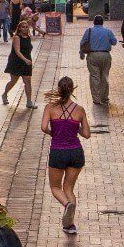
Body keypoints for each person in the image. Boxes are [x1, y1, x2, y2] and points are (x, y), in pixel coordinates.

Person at [42, 77, 90, 235]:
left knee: (55, 187)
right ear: (72, 90)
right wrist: (74, 128)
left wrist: (54, 132)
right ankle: (69, 224)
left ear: (59, 89)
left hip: (58, 151)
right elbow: (87, 134)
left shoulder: (50, 107)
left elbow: (43, 127)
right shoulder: (80, 109)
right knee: (68, 188)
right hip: (75, 152)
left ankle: (67, 205)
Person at [79, 15, 117, 106]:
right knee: (104, 76)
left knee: (94, 77)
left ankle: (96, 99)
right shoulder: (108, 31)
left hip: (92, 55)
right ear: (102, 22)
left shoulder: (89, 31)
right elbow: (114, 42)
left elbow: (82, 43)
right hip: (105, 55)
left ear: (94, 22)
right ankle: (104, 98)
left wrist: (81, 53)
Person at [3, 20, 38, 109]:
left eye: (26, 27)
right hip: (16, 61)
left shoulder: (28, 37)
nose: (25, 28)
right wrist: (25, 60)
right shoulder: (16, 38)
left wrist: (28, 60)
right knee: (13, 81)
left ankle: (29, 102)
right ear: (19, 28)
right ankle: (4, 94)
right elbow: (17, 51)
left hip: (27, 62)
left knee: (28, 81)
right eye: (23, 27)